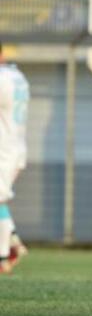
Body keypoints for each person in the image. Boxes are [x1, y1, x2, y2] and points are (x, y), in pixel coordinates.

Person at [0, 42, 29, 275]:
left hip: (4, 148)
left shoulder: (2, 78)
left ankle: (3, 257)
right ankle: (14, 244)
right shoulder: (17, 75)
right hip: (17, 146)